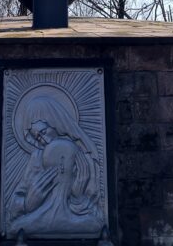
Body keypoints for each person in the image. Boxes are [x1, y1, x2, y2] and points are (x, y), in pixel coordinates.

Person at [7, 93, 104, 237]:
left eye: (44, 132)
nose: (43, 140)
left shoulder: (85, 156)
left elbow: (96, 209)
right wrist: (27, 203)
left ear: (55, 121)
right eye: (37, 137)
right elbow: (13, 207)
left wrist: (78, 196)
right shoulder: (37, 158)